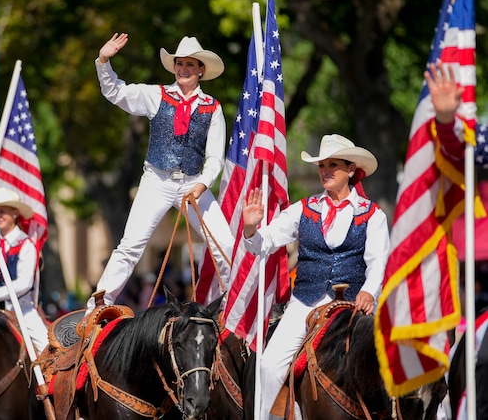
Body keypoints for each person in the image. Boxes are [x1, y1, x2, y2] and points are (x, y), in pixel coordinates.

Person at [241, 134, 390, 419]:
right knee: (269, 366)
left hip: (354, 306)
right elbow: (264, 243)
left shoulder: (373, 215)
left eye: (332, 164)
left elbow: (378, 261)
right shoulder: (303, 208)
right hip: (306, 302)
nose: (325, 171)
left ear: (351, 170)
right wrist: (250, 229)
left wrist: (370, 291)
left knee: (386, 366)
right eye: (322, 165)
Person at [87, 33, 234, 311]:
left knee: (225, 245)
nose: (183, 69)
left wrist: (202, 184)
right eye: (179, 63)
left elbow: (216, 157)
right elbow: (117, 92)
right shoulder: (157, 95)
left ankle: (231, 308)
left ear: (201, 70)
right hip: (157, 180)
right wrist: (104, 60)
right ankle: (96, 307)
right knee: (130, 246)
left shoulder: (212, 108)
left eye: (190, 64)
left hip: (193, 183)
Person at [0, 187, 49, 352]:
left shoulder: (26, 244)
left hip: (21, 309)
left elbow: (24, 283)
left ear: (15, 213)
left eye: (3, 212)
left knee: (48, 348)